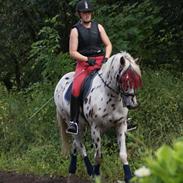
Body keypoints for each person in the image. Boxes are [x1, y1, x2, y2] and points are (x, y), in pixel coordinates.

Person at [66, 0, 137, 135]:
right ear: (79, 14)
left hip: (100, 61)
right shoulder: (75, 30)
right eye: (84, 13)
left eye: (89, 12)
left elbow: (108, 44)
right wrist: (87, 59)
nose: (87, 15)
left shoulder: (98, 27)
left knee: (118, 81)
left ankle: (125, 118)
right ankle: (74, 121)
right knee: (76, 88)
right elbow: (72, 52)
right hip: (84, 64)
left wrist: (106, 57)